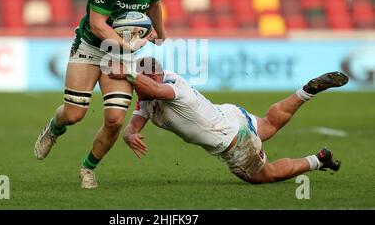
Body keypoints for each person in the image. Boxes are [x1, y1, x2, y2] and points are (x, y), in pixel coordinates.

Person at [34, 0, 166, 189]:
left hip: (120, 52)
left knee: (115, 120)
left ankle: (87, 168)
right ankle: (53, 128)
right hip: (91, 48)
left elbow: (154, 4)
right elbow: (97, 25)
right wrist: (127, 48)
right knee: (74, 114)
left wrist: (160, 32)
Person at [109, 57, 348, 184]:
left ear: (156, 77)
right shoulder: (146, 97)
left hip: (231, 140)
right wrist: (130, 133)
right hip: (231, 115)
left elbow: (153, 89)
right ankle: (307, 91)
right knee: (268, 125)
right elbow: (136, 120)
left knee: (266, 175)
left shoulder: (171, 86)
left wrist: (128, 73)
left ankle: (319, 160)